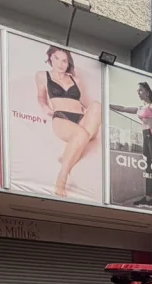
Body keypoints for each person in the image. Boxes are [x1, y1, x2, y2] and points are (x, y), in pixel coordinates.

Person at [35, 46, 102, 198]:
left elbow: (79, 101)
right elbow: (41, 97)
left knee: (97, 105)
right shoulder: (42, 75)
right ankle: (63, 176)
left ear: (68, 63)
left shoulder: (75, 80)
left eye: (64, 61)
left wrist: (87, 111)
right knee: (80, 133)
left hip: (80, 117)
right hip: (61, 117)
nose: (60, 63)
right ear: (50, 57)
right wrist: (44, 107)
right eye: (57, 58)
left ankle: (68, 152)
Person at [110, 82, 152, 209]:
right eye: (137, 90)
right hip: (145, 139)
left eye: (140, 90)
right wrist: (108, 105)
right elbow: (123, 108)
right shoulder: (139, 108)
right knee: (149, 170)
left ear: (147, 92)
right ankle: (148, 199)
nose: (138, 92)